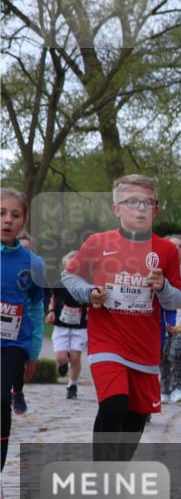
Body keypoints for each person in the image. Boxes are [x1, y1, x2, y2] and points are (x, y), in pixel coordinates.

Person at [62, 174, 181, 462]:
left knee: (135, 417)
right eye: (132, 202)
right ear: (117, 208)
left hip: (145, 346)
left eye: (147, 202)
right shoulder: (98, 242)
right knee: (114, 405)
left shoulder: (165, 250)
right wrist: (89, 292)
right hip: (107, 341)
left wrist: (163, 285)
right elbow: (69, 276)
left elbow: (177, 298)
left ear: (156, 209)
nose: (140, 208)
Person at [1, 189, 45, 480]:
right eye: (1, 213)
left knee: (1, 397)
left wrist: (34, 352)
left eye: (15, 215)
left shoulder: (34, 264)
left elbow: (37, 308)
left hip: (14, 344)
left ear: (24, 220)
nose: (7, 220)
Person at [48, 251, 88, 399]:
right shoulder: (59, 283)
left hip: (80, 326)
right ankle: (63, 364)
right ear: (65, 266)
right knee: (61, 357)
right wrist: (51, 311)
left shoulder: (85, 283)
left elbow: (90, 300)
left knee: (76, 357)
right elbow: (53, 298)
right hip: (62, 325)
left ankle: (72, 385)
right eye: (70, 265)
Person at [161, 235, 181, 404]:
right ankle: (164, 390)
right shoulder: (159, 267)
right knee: (163, 354)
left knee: (179, 351)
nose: (176, 249)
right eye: (172, 245)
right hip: (163, 315)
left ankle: (178, 388)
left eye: (180, 246)